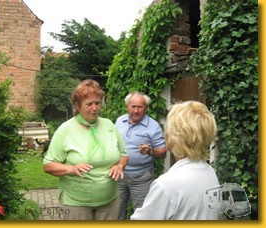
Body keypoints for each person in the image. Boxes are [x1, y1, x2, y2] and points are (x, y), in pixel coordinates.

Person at [43, 79, 128, 220]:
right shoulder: (65, 130)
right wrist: (71, 169)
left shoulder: (109, 126)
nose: (94, 108)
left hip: (110, 201)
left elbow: (124, 155)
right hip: (76, 203)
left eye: (97, 103)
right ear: (77, 105)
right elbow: (48, 165)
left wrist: (120, 165)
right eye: (89, 104)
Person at [131, 101, 219, 220]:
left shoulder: (167, 185)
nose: (165, 133)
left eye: (168, 128)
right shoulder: (209, 172)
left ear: (175, 137)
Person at [115, 92, 167, 220]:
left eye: (140, 107)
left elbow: (163, 152)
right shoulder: (119, 121)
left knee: (142, 215)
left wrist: (149, 151)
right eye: (133, 107)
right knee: (115, 212)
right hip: (119, 174)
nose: (136, 110)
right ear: (127, 107)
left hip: (141, 178)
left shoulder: (153, 126)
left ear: (146, 108)